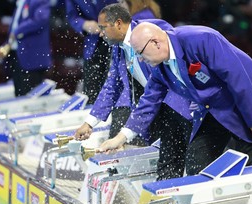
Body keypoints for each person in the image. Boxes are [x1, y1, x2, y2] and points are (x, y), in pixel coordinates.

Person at [99, 21, 252, 177]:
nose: (140, 59)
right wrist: (120, 138)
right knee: (197, 163)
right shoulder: (159, 67)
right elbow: (149, 101)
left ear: (155, 43)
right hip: (216, 109)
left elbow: (237, 78)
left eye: (140, 53)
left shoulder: (201, 38)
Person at [74, 3, 193, 180]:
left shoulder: (149, 30)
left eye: (103, 28)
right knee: (166, 163)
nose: (100, 33)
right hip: (155, 107)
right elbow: (112, 84)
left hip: (180, 105)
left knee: (186, 162)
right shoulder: (118, 46)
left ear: (119, 23)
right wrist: (90, 122)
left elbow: (172, 61)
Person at [0, 0, 52, 96]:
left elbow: (40, 19)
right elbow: (14, 27)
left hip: (32, 58)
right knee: (19, 94)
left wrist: (17, 31)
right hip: (16, 55)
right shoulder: (20, 2)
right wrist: (6, 45)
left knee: (29, 99)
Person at [65, 0, 117, 104]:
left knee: (117, 87)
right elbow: (72, 16)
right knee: (92, 92)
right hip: (93, 44)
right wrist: (84, 24)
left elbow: (128, 7)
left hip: (117, 37)